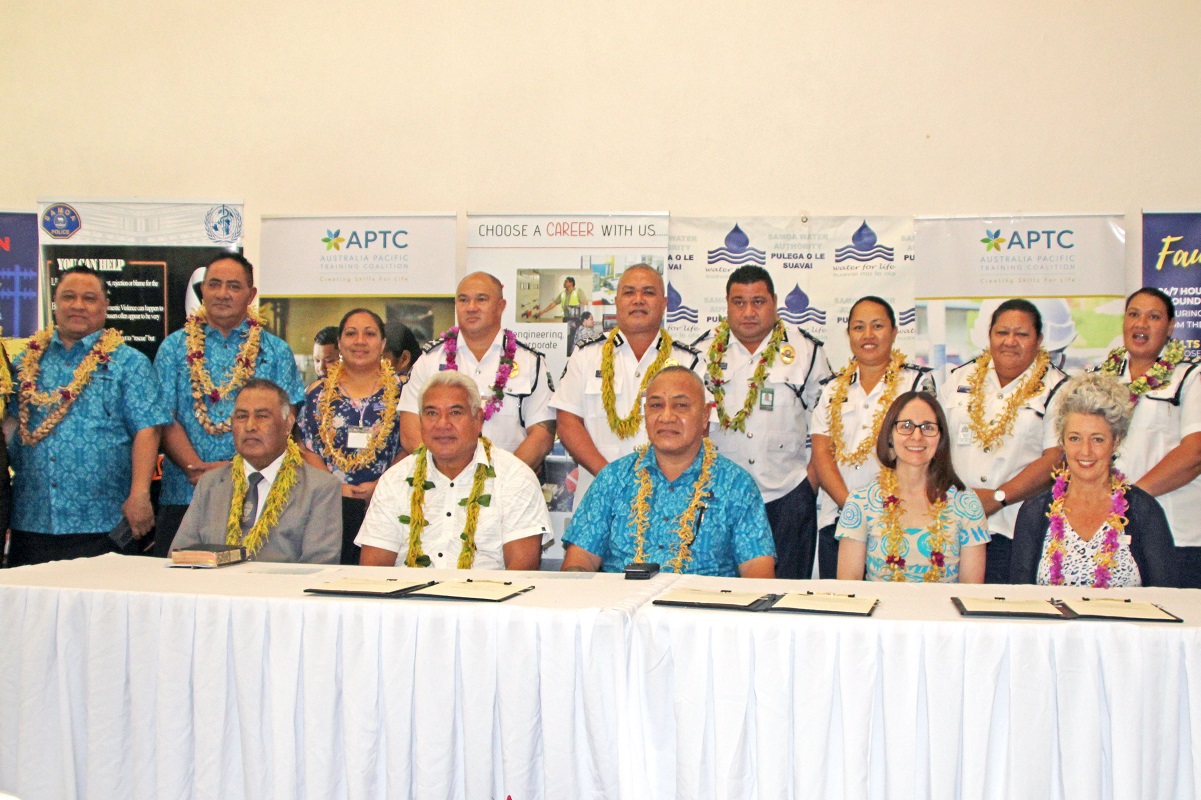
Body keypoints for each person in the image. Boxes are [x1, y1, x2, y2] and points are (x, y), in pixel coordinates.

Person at [6, 266, 170, 566]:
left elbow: (148, 430)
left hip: (104, 521)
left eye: (89, 298)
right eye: (69, 297)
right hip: (33, 519)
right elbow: (11, 427)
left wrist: (140, 495)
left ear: (105, 306)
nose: (78, 305)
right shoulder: (24, 363)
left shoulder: (128, 363)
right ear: (55, 302)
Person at [153, 252, 305, 556]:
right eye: (214, 284)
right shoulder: (172, 347)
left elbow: (286, 422)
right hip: (185, 490)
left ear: (250, 295)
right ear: (203, 290)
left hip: (257, 493)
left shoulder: (275, 351)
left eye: (234, 286)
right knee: (180, 589)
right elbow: (162, 416)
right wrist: (197, 470)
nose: (223, 294)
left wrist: (233, 470)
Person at [561, 367, 776, 577]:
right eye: (656, 405)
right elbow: (581, 559)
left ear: (705, 415)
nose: (666, 417)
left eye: (680, 405)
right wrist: (575, 581)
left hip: (704, 608)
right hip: (622, 607)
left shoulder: (736, 484)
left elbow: (757, 572)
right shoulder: (613, 478)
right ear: (645, 415)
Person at [692, 265, 832, 579]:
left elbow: (829, 421)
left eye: (758, 302)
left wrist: (808, 483)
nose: (748, 311)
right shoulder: (701, 353)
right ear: (727, 305)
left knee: (784, 599)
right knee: (720, 598)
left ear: (775, 302)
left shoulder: (806, 351)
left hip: (786, 495)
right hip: (719, 497)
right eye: (739, 302)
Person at [357, 371, 549, 569]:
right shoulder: (394, 480)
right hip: (409, 598)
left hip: (485, 597)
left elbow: (521, 572)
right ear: (420, 421)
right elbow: (374, 570)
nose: (442, 424)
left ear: (478, 420)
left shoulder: (515, 478)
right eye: (431, 413)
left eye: (455, 413)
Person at [939, 298, 1068, 583]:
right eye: (1002, 332)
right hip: (953, 526)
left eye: (1022, 334)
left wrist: (998, 497)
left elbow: (1056, 458)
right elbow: (933, 444)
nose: (1010, 341)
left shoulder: (1059, 388)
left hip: (1019, 530)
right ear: (989, 336)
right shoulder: (959, 379)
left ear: (1039, 341)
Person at [1011, 373, 1178, 587]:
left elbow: (1166, 596)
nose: (1085, 451)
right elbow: (1022, 599)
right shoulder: (1035, 511)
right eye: (1075, 438)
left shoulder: (1142, 510)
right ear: (1062, 441)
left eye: (1097, 439)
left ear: (1116, 441)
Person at [551, 264, 702, 501]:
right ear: (618, 302)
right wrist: (609, 477)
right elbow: (567, 422)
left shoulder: (688, 361)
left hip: (667, 496)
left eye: (648, 292)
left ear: (664, 304)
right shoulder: (586, 355)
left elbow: (700, 427)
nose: (638, 300)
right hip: (600, 494)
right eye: (629, 292)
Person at [810, 296, 935, 579]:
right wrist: (853, 508)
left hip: (899, 522)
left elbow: (924, 450)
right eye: (858, 327)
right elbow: (821, 453)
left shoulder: (915, 385)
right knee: (841, 609)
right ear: (849, 334)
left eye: (877, 326)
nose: (868, 335)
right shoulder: (832, 390)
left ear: (893, 331)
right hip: (839, 519)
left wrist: (877, 515)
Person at [1093, 287, 1201, 587]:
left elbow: (1195, 453)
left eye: (1153, 317)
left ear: (1170, 327)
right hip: (1108, 535)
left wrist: (1130, 499)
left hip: (1176, 534)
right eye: (1134, 315)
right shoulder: (1100, 379)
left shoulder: (1189, 377)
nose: (1141, 324)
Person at [172, 379, 341, 563]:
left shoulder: (320, 488)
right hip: (215, 588)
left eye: (262, 416)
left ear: (287, 424)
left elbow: (320, 566)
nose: (250, 426)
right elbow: (182, 556)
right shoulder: (210, 483)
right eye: (241, 416)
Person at [400, 272, 556, 472]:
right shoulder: (429, 360)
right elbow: (410, 431)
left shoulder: (529, 362)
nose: (471, 308)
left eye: (481, 299)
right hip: (442, 484)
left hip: (509, 489)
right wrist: (446, 474)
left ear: (501, 306)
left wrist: (503, 479)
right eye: (463, 300)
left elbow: (542, 434)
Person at [836, 391, 989, 583]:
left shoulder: (967, 504)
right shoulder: (861, 502)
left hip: (944, 613)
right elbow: (849, 589)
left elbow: (971, 594)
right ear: (890, 436)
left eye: (928, 427)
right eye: (906, 426)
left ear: (940, 438)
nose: (917, 436)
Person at [298, 309, 403, 565]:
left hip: (389, 501)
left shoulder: (404, 392)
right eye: (351, 333)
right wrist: (335, 488)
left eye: (369, 334)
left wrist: (381, 486)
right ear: (340, 343)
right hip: (329, 504)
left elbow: (411, 447)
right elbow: (305, 446)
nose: (360, 341)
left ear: (383, 343)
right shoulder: (316, 394)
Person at [535, 275, 589, 355]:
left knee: (575, 336)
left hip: (576, 318)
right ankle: (569, 352)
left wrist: (572, 308)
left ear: (571, 283)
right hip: (566, 318)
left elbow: (585, 302)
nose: (564, 283)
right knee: (568, 337)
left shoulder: (578, 291)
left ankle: (577, 352)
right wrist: (543, 312)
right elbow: (554, 303)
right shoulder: (562, 294)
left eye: (566, 281)